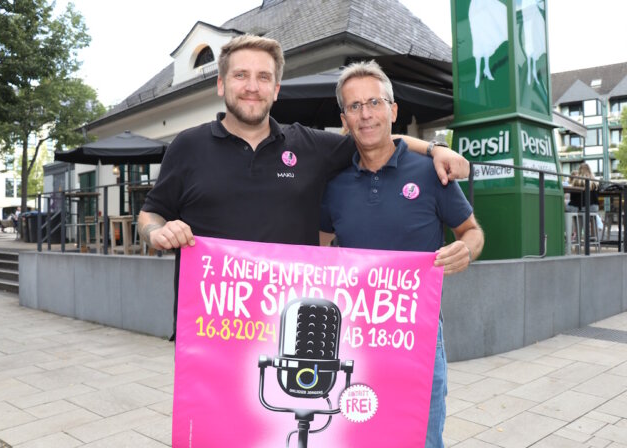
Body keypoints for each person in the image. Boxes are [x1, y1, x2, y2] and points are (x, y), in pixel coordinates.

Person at [138, 34, 470, 338]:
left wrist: (433, 148)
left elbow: (374, 137)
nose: (252, 86)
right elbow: (151, 213)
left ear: (276, 89)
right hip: (209, 331)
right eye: (241, 75)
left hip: (288, 333)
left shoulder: (309, 145)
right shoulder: (187, 146)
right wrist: (156, 232)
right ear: (222, 84)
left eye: (264, 77)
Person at [319, 60, 484, 447]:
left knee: (422, 437)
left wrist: (466, 250)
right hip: (355, 336)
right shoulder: (335, 183)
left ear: (392, 110)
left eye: (374, 102)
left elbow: (472, 231)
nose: (366, 114)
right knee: (359, 436)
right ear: (344, 119)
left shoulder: (431, 171)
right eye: (355, 106)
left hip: (421, 335)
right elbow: (322, 245)